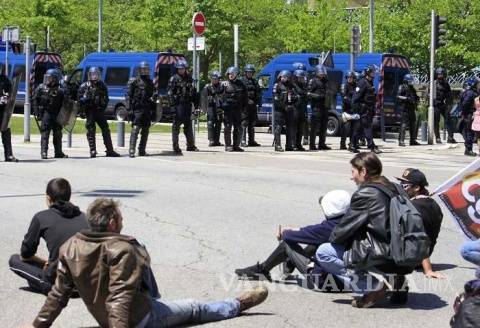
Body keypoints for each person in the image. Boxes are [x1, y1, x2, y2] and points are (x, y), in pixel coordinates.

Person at [25, 198, 268, 328]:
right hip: (139, 319)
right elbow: (119, 299)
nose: (122, 221)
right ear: (111, 224)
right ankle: (235, 305)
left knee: (140, 247)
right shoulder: (123, 249)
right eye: (119, 218)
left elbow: (59, 294)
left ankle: (158, 302)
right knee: (194, 307)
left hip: (108, 317)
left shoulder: (70, 247)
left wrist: (38, 326)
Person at [316, 152, 410, 307]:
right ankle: (396, 279)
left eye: (353, 172)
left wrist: (332, 236)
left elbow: (341, 231)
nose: (351, 177)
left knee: (324, 251)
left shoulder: (366, 193)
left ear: (363, 172)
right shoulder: (397, 188)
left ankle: (373, 287)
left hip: (384, 255)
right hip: (405, 252)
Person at [234, 190, 351, 281]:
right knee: (317, 243)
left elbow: (288, 236)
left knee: (287, 244)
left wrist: (284, 232)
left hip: (324, 280)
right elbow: (313, 231)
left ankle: (263, 270)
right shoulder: (348, 222)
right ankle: (290, 262)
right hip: (346, 277)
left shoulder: (328, 228)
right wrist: (296, 229)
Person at [8, 178, 87, 295]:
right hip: (85, 284)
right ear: (69, 197)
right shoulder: (85, 217)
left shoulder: (41, 217)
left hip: (60, 285)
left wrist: (43, 262)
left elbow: (26, 255)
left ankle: (44, 282)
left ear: (48, 198)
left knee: (14, 260)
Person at [396, 168, 445, 279]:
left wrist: (428, 270)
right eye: (400, 184)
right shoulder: (433, 204)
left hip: (412, 257)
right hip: (421, 255)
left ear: (417, 187)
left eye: (404, 185)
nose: (401, 188)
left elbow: (419, 237)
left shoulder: (412, 208)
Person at [77, 67, 120, 158]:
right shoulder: (84, 86)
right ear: (89, 75)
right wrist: (85, 101)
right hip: (90, 111)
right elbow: (79, 101)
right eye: (92, 74)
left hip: (99, 111)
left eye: (96, 74)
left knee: (106, 129)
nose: (94, 76)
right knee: (91, 131)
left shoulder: (102, 85)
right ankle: (93, 150)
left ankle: (110, 150)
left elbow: (106, 98)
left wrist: (102, 106)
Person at [32, 69, 68, 159]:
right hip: (47, 113)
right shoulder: (41, 87)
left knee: (58, 133)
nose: (48, 79)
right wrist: (37, 112)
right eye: (47, 77)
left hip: (57, 113)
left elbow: (67, 102)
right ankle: (44, 152)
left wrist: (64, 116)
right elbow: (34, 99)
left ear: (55, 78)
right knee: (45, 133)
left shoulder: (61, 89)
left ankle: (58, 152)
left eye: (51, 78)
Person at [167, 60, 199, 154]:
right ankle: (175, 147)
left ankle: (190, 145)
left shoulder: (189, 78)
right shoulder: (174, 78)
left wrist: (196, 105)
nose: (181, 70)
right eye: (180, 69)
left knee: (188, 126)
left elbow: (193, 93)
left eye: (183, 68)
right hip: (178, 105)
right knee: (176, 127)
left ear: (185, 69)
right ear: (177, 69)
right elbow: (169, 93)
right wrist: (172, 106)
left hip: (187, 105)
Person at [127, 61, 155, 157]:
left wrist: (154, 109)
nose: (145, 71)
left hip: (147, 109)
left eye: (147, 69)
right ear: (139, 70)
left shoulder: (150, 82)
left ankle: (142, 150)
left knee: (146, 129)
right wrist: (129, 109)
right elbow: (128, 96)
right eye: (143, 69)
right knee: (135, 128)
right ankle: (131, 150)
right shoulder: (134, 81)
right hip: (137, 109)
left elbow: (153, 97)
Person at [352, 65, 381, 154]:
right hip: (363, 109)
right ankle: (371, 146)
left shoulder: (370, 82)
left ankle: (352, 145)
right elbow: (355, 97)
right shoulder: (362, 82)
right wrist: (356, 110)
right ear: (368, 73)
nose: (374, 74)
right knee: (367, 127)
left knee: (358, 129)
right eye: (372, 72)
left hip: (369, 109)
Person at [221, 66, 247, 152]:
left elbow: (245, 97)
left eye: (232, 74)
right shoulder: (224, 84)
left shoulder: (241, 84)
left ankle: (236, 145)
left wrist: (244, 109)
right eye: (229, 74)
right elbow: (219, 97)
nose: (231, 75)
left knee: (238, 127)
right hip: (228, 109)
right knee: (228, 127)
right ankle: (228, 145)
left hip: (238, 109)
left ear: (236, 74)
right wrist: (221, 107)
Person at [307, 65, 330, 151]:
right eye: (320, 72)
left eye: (323, 72)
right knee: (314, 127)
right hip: (316, 107)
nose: (322, 74)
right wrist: (318, 96)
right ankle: (312, 144)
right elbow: (308, 93)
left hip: (325, 106)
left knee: (324, 127)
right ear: (317, 72)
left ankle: (322, 144)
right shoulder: (313, 81)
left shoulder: (326, 81)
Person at [273, 70, 297, 151]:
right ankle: (277, 145)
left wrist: (295, 99)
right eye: (282, 77)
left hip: (289, 110)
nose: (283, 78)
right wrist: (284, 106)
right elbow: (276, 99)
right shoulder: (277, 86)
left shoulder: (291, 86)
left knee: (290, 127)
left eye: (285, 77)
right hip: (280, 110)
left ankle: (289, 145)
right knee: (278, 127)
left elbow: (294, 97)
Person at [240, 64, 261, 147]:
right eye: (248, 72)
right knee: (244, 123)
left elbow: (258, 93)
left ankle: (251, 141)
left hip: (253, 106)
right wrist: (247, 100)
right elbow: (240, 93)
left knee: (252, 123)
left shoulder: (255, 81)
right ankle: (242, 140)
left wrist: (259, 102)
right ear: (245, 73)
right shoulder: (241, 81)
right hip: (245, 106)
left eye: (251, 72)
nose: (250, 74)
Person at [397, 74, 420, 147]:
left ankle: (412, 140)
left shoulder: (412, 88)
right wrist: (406, 98)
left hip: (412, 109)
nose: (411, 82)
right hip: (405, 108)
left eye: (411, 81)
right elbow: (398, 96)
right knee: (403, 125)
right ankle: (401, 140)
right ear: (406, 81)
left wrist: (417, 99)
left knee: (413, 124)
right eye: (409, 81)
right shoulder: (402, 87)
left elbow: (415, 96)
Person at [433, 67, 455, 144]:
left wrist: (448, 104)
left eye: (441, 74)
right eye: (439, 74)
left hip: (443, 104)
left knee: (448, 119)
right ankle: (438, 138)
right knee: (436, 121)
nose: (440, 75)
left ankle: (450, 137)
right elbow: (429, 95)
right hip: (435, 105)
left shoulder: (446, 83)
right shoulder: (434, 83)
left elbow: (449, 94)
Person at [203, 70, 224, 147]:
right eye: (213, 78)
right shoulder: (207, 87)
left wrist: (220, 99)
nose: (215, 80)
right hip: (211, 107)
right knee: (210, 123)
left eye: (216, 78)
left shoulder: (222, 87)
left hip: (219, 107)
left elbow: (224, 96)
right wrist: (209, 99)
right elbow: (203, 97)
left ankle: (217, 141)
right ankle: (211, 140)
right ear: (211, 79)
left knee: (218, 124)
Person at [0, 70, 17, 161]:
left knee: (6, 132)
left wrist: (7, 97)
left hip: (3, 111)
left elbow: (10, 92)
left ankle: (8, 155)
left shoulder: (4, 80)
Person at [458, 78, 478, 157]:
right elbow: (465, 104)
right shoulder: (470, 93)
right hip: (469, 114)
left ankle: (467, 149)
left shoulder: (466, 92)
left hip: (467, 114)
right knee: (469, 132)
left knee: (468, 132)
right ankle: (469, 150)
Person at [340, 71, 359, 153]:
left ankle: (352, 144)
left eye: (351, 77)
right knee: (346, 128)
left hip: (354, 110)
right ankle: (342, 144)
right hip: (346, 110)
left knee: (354, 128)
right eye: (348, 77)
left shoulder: (356, 85)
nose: (350, 79)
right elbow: (344, 96)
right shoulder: (345, 86)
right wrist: (351, 101)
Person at [292, 69, 307, 151]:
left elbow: (306, 97)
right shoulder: (293, 87)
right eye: (300, 78)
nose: (301, 79)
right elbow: (291, 98)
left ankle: (298, 144)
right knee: (294, 128)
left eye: (302, 78)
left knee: (301, 128)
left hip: (302, 109)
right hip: (295, 109)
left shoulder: (304, 86)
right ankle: (293, 144)